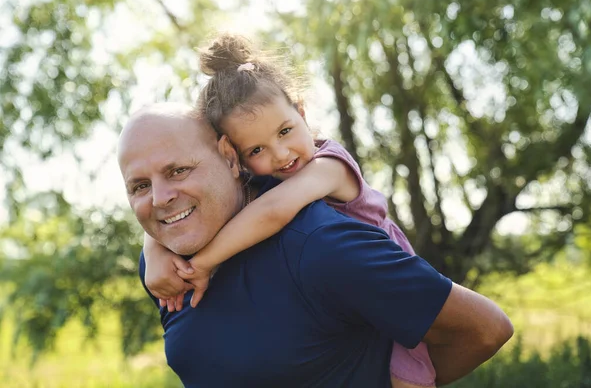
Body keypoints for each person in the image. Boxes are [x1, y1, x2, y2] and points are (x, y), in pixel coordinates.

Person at [118, 101, 513, 387]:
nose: (160, 198)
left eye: (179, 170)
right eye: (140, 186)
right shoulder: (163, 267)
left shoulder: (319, 246)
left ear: (229, 156)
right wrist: (153, 248)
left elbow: (485, 329)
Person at [143, 33, 436, 387]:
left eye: (284, 131)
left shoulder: (329, 165)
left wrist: (201, 264)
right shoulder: (259, 184)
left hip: (390, 290)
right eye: (256, 151)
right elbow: (179, 213)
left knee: (409, 378)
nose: (280, 155)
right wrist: (155, 246)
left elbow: (273, 213)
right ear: (233, 156)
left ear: (300, 111)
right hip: (340, 308)